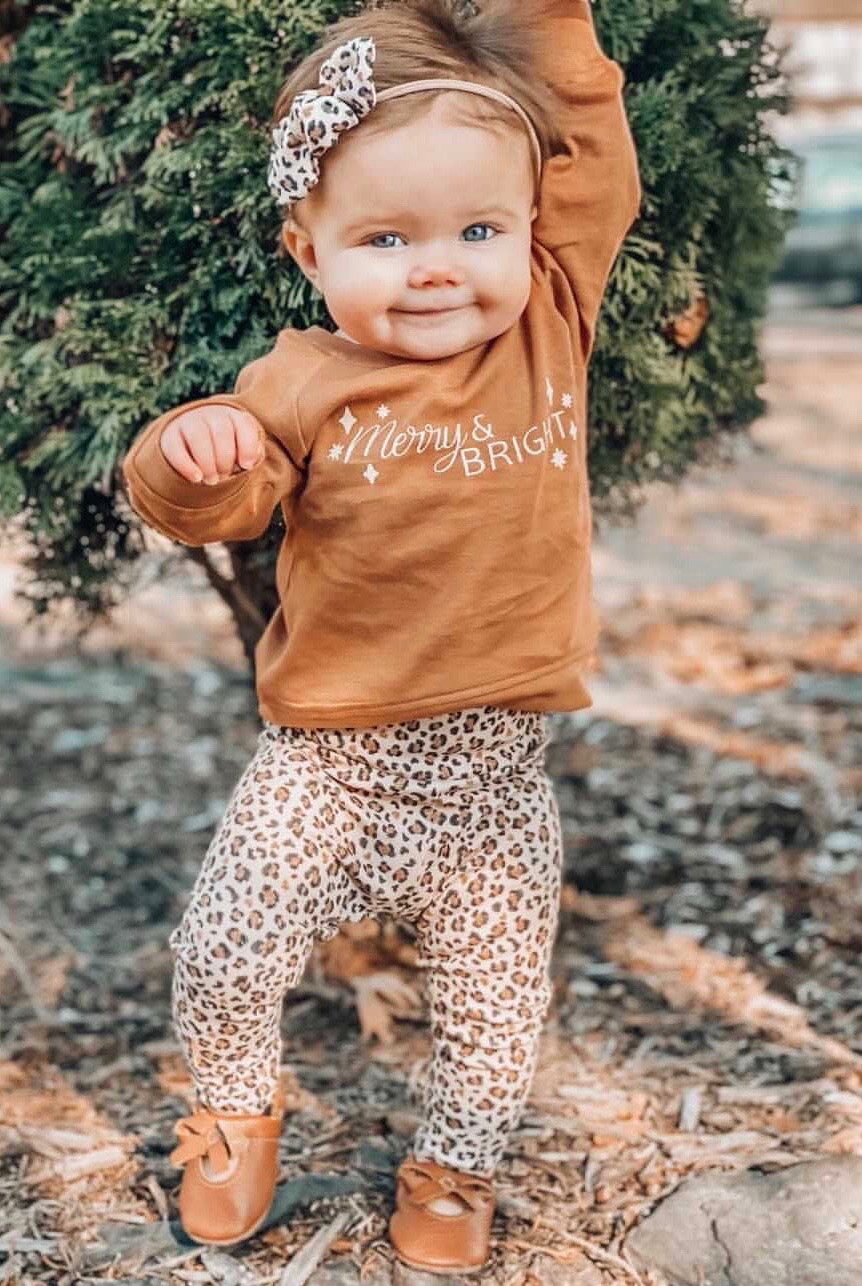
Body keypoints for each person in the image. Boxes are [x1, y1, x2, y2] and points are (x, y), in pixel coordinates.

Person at [120, 0, 639, 1271]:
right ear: (308, 249)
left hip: (491, 778)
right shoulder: (297, 382)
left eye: (478, 229)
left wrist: (546, 21)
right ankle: (237, 1117)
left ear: (530, 230)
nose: (436, 267)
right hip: (328, 766)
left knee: (494, 1007)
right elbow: (214, 498)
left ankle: (455, 1170)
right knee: (223, 953)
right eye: (385, 237)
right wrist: (194, 455)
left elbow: (591, 146)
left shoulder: (548, 323)